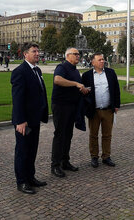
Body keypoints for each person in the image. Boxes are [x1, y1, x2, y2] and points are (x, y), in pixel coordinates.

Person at [11, 42, 48, 194]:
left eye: (38, 51)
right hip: (24, 121)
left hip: (34, 118)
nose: (37, 53)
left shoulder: (37, 70)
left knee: (32, 150)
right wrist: (20, 120)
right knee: (23, 151)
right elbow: (18, 98)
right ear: (25, 54)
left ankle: (30, 177)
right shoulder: (20, 71)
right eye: (34, 51)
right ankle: (22, 182)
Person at [51, 47, 89, 178]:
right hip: (61, 106)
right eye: (76, 54)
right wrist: (75, 84)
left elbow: (75, 87)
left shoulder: (74, 70)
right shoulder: (62, 67)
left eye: (79, 54)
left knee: (68, 135)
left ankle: (65, 161)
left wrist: (82, 89)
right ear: (68, 56)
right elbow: (57, 80)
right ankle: (55, 165)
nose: (78, 56)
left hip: (72, 106)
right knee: (60, 135)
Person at [82, 52, 120, 168]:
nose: (102, 61)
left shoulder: (110, 73)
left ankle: (106, 156)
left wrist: (116, 105)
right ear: (93, 62)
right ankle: (94, 157)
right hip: (94, 111)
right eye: (99, 60)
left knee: (107, 135)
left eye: (103, 59)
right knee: (93, 135)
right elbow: (83, 94)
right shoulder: (87, 75)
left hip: (108, 109)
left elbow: (116, 89)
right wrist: (86, 108)